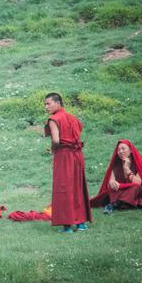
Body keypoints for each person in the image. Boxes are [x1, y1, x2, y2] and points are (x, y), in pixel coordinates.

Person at [44, 92, 91, 233]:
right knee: (77, 187)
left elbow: (57, 140)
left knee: (63, 188)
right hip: (77, 155)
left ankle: (67, 226)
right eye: (45, 104)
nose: (46, 107)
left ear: (58, 103)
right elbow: (78, 131)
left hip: (64, 156)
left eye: (48, 103)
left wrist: (53, 149)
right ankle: (81, 223)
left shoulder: (53, 119)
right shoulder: (71, 117)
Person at [90, 139, 142, 213]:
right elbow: (111, 180)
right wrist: (112, 182)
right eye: (118, 150)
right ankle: (126, 203)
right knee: (111, 188)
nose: (121, 151)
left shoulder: (139, 163)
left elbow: (137, 183)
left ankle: (114, 205)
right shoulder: (115, 164)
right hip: (120, 191)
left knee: (136, 187)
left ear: (131, 150)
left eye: (123, 149)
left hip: (134, 191)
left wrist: (127, 169)